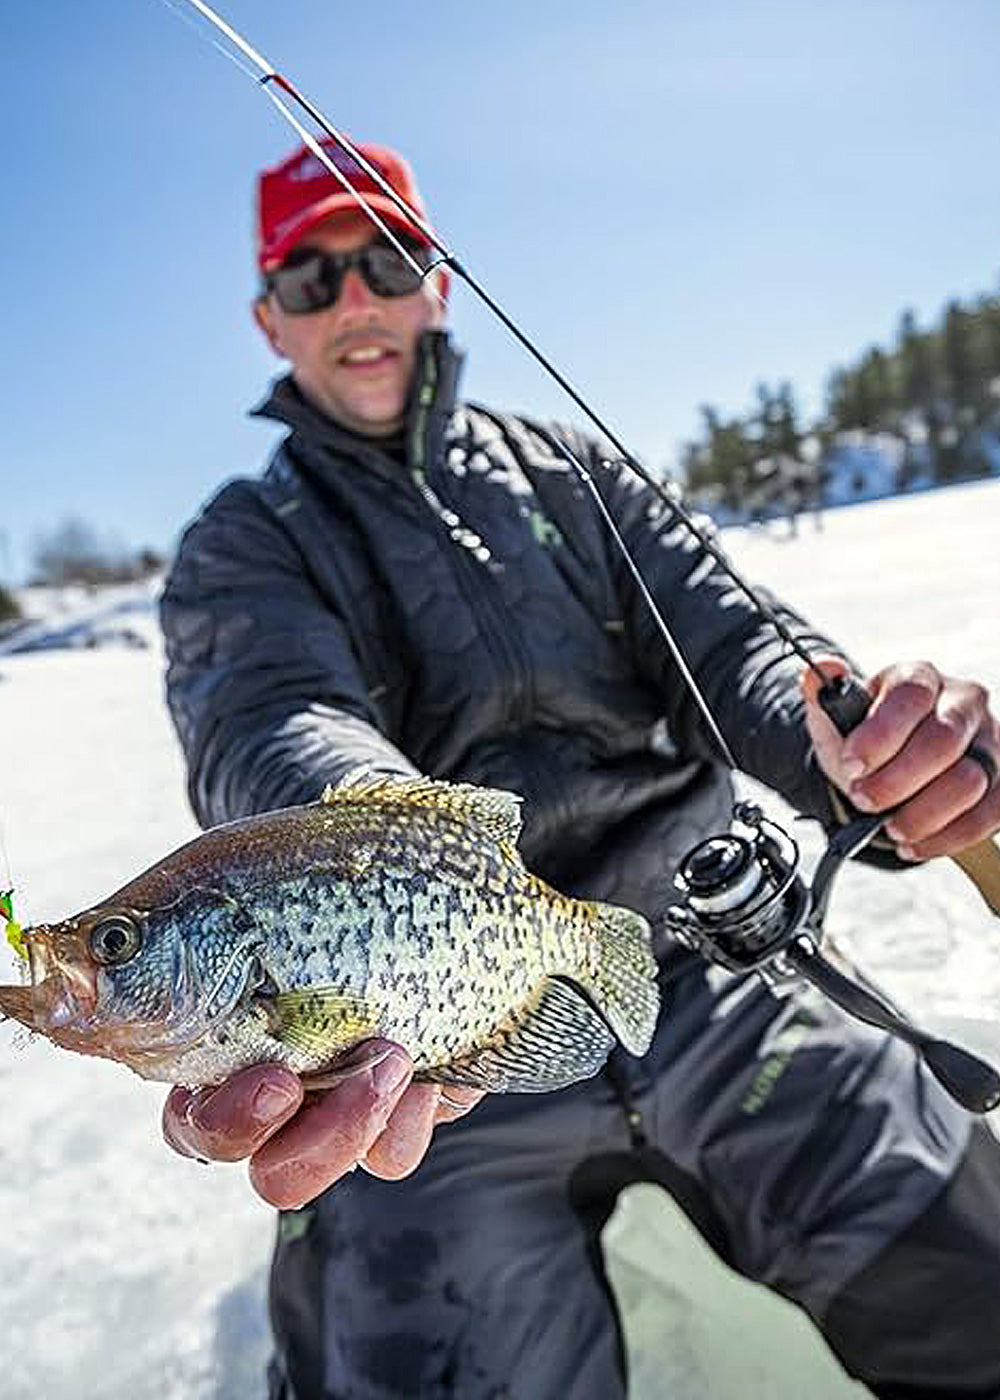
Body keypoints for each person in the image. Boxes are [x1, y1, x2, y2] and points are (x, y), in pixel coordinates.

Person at [159, 136, 1000, 1400]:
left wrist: (856, 746)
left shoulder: (575, 468)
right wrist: (369, 861)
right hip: (433, 1044)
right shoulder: (239, 546)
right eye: (310, 279)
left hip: (712, 970)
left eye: (384, 260)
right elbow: (270, 718)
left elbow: (731, 643)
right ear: (268, 319)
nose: (356, 304)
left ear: (434, 279)